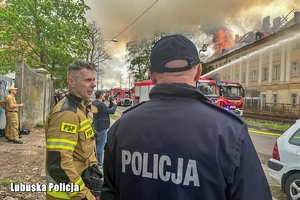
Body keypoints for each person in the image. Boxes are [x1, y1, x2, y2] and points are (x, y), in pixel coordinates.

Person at [101, 35, 272, 200]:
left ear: (151, 75)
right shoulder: (229, 131)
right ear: (198, 72)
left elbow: (109, 192)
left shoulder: (122, 126)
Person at [45, 60, 102, 200]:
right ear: (71, 82)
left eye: (94, 80)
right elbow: (59, 166)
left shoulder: (80, 107)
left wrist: (93, 168)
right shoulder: (67, 113)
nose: (94, 84)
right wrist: (85, 196)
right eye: (88, 80)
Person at [92, 90, 117, 168]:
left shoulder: (94, 103)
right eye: (103, 95)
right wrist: (115, 105)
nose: (104, 96)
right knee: (101, 145)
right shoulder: (101, 104)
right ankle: (100, 163)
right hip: (102, 126)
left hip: (96, 125)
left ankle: (96, 160)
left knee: (97, 145)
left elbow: (106, 111)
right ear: (101, 96)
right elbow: (111, 112)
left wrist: (110, 104)